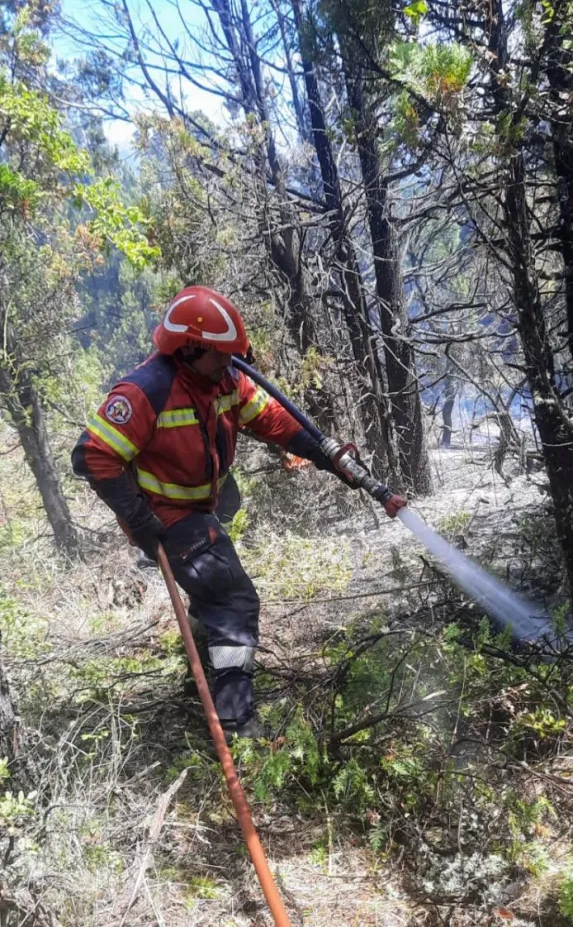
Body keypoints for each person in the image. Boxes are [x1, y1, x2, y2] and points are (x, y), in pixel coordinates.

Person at [72, 286, 406, 739]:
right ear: (189, 348)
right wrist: (138, 518)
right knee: (234, 600)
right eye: (220, 354)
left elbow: (277, 422)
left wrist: (332, 460)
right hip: (164, 516)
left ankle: (201, 669)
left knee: (213, 588)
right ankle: (234, 718)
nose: (230, 362)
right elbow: (92, 455)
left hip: (203, 505)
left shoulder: (225, 380)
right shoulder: (145, 391)